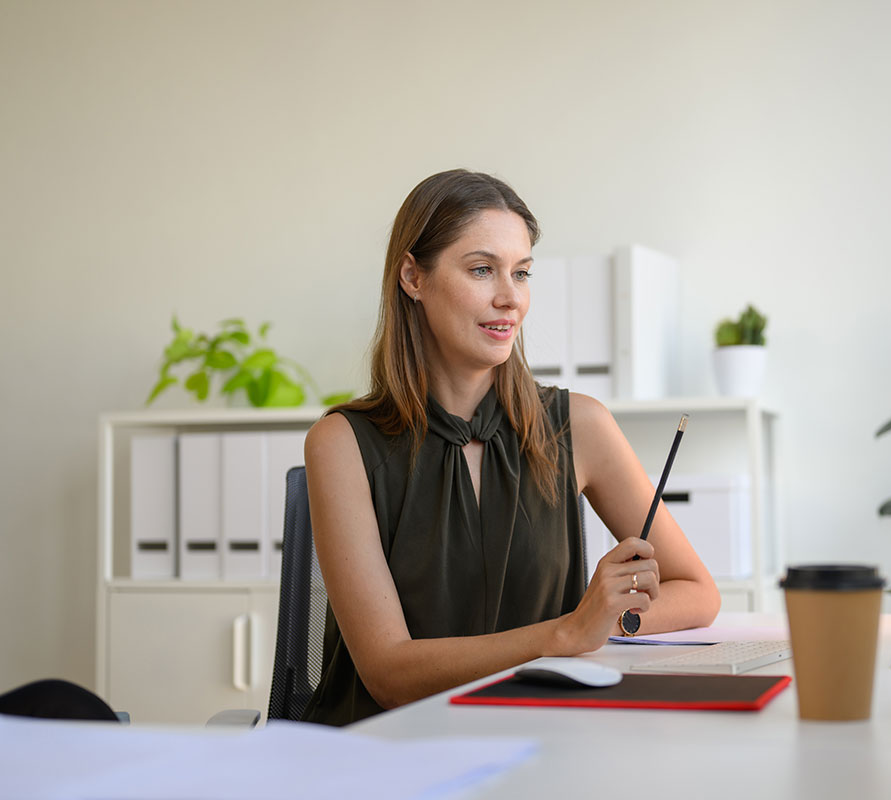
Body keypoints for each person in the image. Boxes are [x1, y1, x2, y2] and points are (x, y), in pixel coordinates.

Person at [300, 169, 720, 726]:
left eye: (521, 274)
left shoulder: (580, 424)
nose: (510, 299)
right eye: (481, 270)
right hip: (388, 755)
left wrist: (608, 619)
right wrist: (566, 633)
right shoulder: (342, 444)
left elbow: (698, 592)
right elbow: (390, 673)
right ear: (412, 277)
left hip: (542, 739)